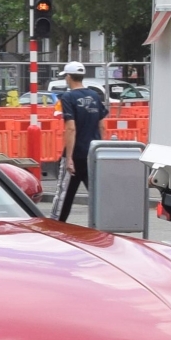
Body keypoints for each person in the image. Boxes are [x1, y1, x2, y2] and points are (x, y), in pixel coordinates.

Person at [52, 62, 110, 221]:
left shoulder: (68, 97)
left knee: (64, 195)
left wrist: (69, 157)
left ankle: (57, 225)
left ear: (69, 77)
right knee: (96, 192)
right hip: (92, 153)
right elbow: (102, 125)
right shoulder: (94, 96)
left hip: (76, 153)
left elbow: (70, 128)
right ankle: (105, 222)